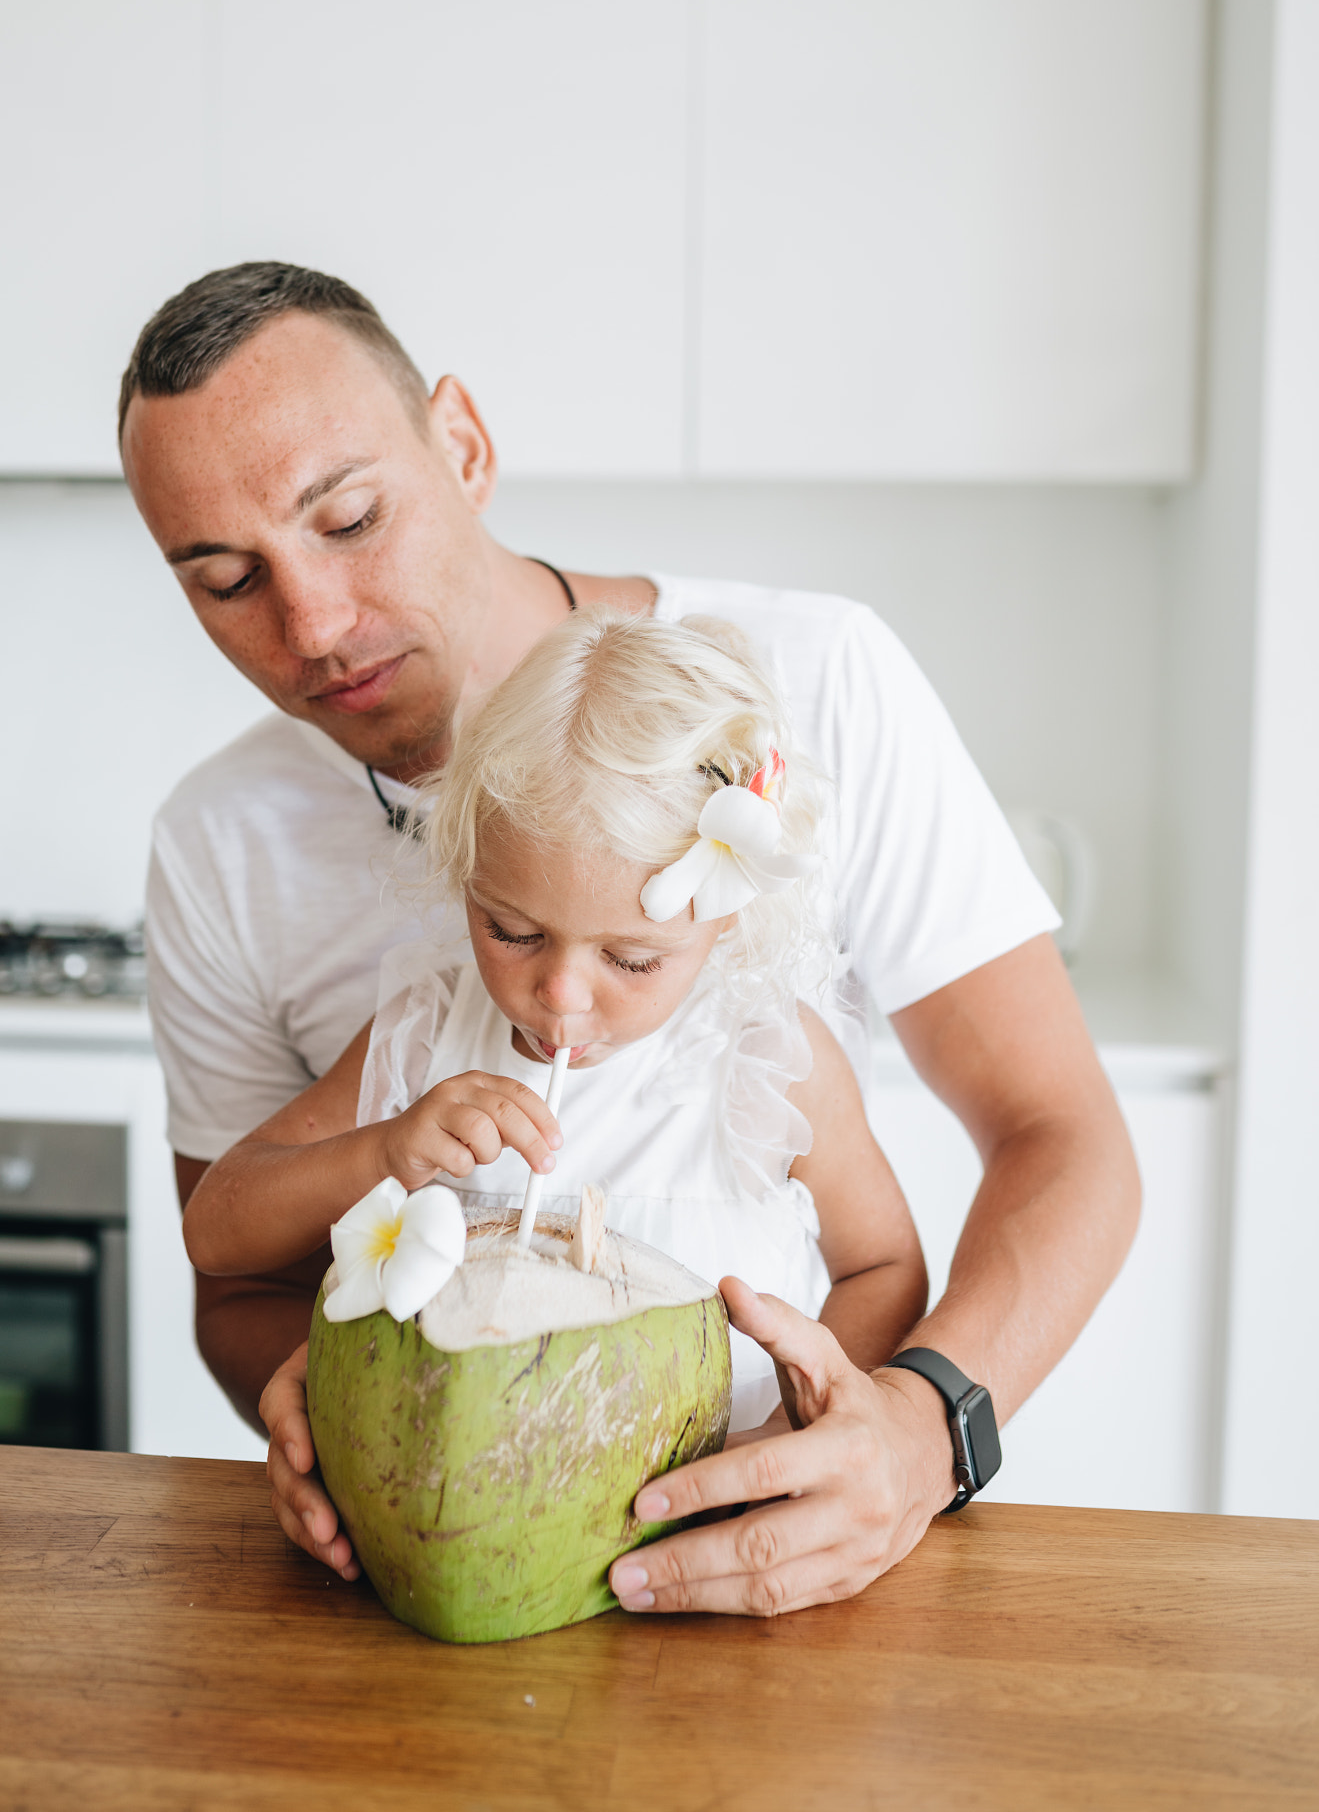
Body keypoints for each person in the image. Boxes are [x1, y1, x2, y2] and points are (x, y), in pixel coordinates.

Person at [119, 261, 1140, 1618]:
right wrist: (308, 1406)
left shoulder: (815, 685)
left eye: (352, 518)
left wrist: (913, 1428)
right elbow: (235, 1274)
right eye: (227, 579)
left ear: (462, 444)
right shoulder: (219, 849)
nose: (314, 626)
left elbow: (1060, 1137)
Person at [180, 607, 930, 1439]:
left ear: (724, 920)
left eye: (633, 960)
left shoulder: (767, 1061)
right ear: (465, 869)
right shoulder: (428, 1036)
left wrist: (793, 1436)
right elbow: (217, 1231)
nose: (562, 995)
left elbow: (885, 1268)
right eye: (513, 932)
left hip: (722, 1533)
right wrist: (381, 1149)